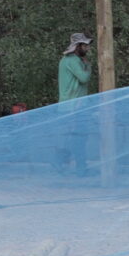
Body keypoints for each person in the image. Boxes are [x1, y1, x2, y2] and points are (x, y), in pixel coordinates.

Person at [54, 32, 95, 174]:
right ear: (77, 46)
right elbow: (84, 78)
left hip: (72, 107)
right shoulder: (73, 60)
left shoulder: (69, 60)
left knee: (71, 139)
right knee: (78, 139)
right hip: (73, 108)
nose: (87, 48)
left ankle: (65, 165)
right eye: (85, 46)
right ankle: (78, 168)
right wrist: (88, 66)